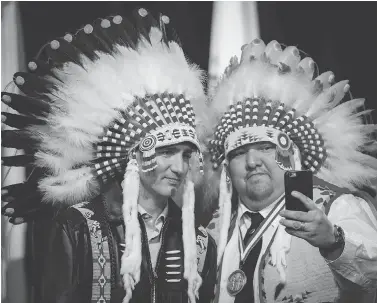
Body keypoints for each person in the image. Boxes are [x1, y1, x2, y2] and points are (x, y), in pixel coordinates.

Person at [1, 9, 216, 303]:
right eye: (166, 153)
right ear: (135, 156)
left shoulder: (201, 241)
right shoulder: (77, 227)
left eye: (185, 154)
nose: (178, 167)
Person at [201, 39, 377, 303]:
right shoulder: (213, 230)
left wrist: (334, 243)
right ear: (226, 167)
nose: (251, 161)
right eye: (238, 153)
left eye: (265, 147)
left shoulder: (335, 209)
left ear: (292, 154)